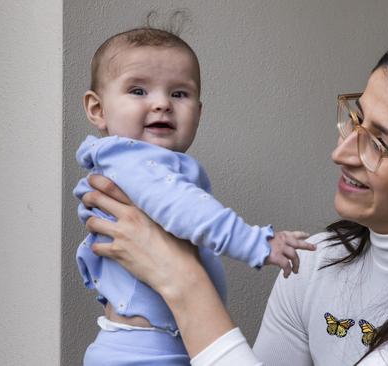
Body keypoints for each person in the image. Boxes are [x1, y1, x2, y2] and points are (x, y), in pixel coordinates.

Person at [81, 36, 388, 365]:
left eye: (379, 143)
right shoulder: (317, 262)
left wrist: (182, 280)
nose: (341, 151)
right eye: (355, 118)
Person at [74, 27, 314, 365]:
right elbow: (188, 211)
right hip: (144, 353)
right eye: (138, 90)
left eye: (179, 94)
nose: (161, 104)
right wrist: (258, 243)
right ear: (97, 109)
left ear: (198, 113)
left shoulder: (134, 165)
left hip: (157, 343)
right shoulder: (133, 160)